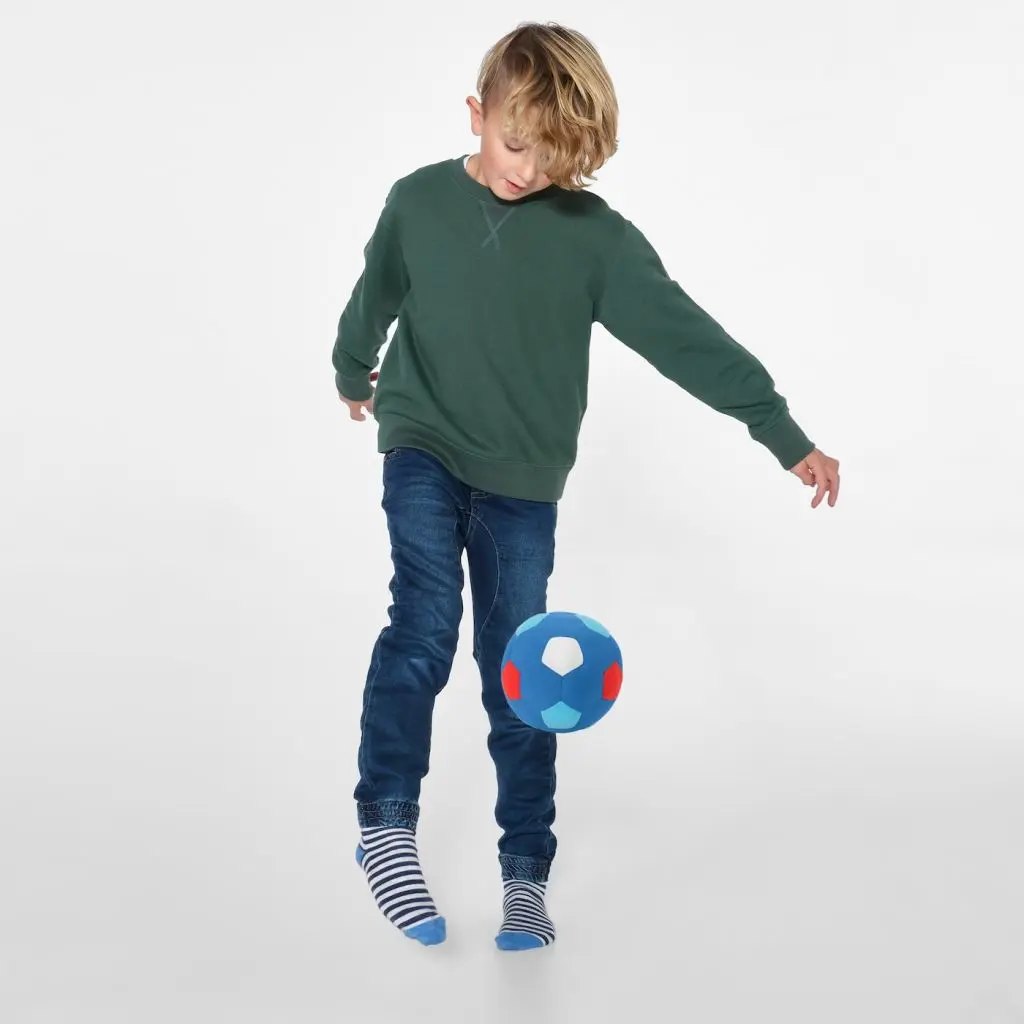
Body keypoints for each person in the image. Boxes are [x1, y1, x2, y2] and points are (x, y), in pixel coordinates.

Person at [331, 21, 841, 951]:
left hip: (523, 486)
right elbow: (376, 295)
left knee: (520, 674)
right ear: (476, 113)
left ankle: (525, 873)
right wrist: (350, 368)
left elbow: (686, 337)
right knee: (424, 622)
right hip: (422, 443)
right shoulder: (418, 201)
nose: (527, 171)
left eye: (553, 159)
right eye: (514, 144)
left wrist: (780, 431)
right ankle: (386, 824)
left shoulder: (595, 240)